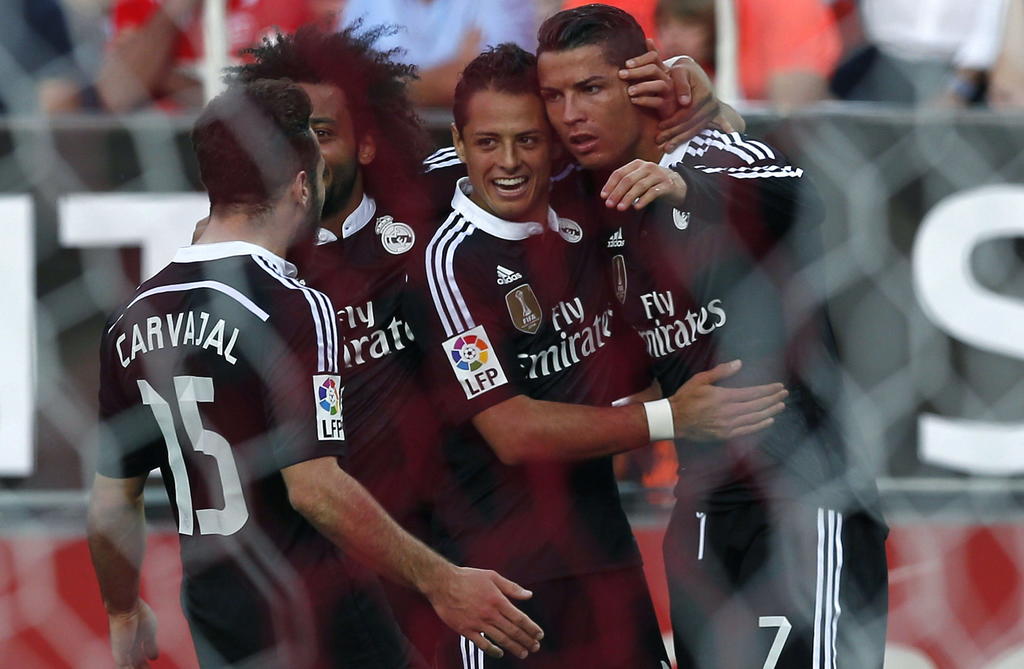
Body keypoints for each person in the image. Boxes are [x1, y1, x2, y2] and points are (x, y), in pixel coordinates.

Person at [87, 78, 544, 668]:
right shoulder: (294, 304)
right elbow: (314, 487)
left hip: (220, 615)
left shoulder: (132, 317)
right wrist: (443, 582)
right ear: (303, 187)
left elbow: (111, 503)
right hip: (317, 613)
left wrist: (123, 610)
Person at [407, 43, 788, 668]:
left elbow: (687, 141)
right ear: (459, 143)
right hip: (500, 575)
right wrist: (672, 417)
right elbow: (512, 430)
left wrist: (696, 94)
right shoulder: (450, 263)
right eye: (488, 143)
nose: (509, 162)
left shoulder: (585, 192)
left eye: (529, 140)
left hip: (603, 553)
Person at [536, 5, 888, 668]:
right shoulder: (595, 201)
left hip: (801, 499)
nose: (570, 114)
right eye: (554, 96)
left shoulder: (714, 150)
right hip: (699, 511)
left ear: (639, 82)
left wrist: (685, 186)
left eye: (590, 89)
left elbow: (802, 200)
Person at [222, 22, 447, 658]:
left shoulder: (434, 222)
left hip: (435, 542)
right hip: (304, 563)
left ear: (369, 142)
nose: (304, 154)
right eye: (286, 136)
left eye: (321, 133)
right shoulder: (240, 271)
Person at [97, 0, 343, 111]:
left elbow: (280, 103)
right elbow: (118, 93)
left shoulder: (293, 5)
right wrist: (176, 8)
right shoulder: (141, 4)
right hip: (166, 149)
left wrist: (159, 76)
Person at [338, 0, 538, 106]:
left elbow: (494, 83)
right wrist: (452, 70)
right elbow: (348, 82)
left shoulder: (502, 3)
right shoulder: (365, 3)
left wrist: (383, 84)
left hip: (477, 147)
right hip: (389, 142)